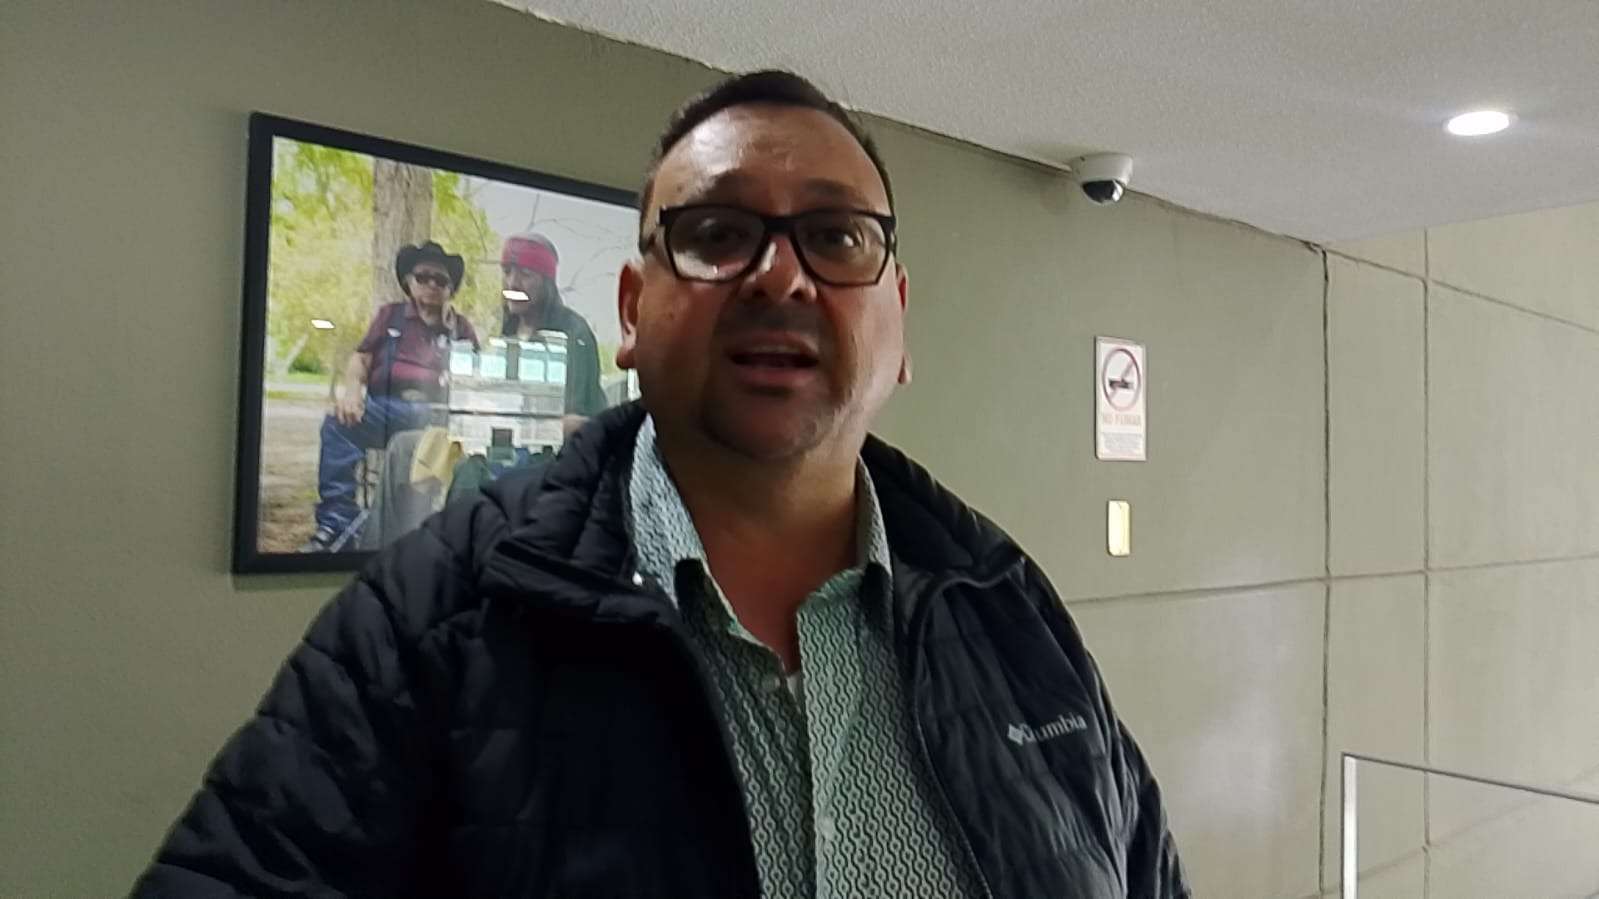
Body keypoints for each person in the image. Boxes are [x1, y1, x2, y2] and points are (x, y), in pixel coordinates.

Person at [137, 72, 1188, 897]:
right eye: (718, 234)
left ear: (898, 320)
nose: (780, 275)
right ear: (633, 312)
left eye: (835, 237)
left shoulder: (1010, 610)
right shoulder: (429, 616)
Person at [299, 240, 479, 552]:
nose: (432, 285)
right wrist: (352, 393)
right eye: (423, 277)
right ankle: (336, 525)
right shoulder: (390, 316)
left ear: (451, 289)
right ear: (409, 282)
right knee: (337, 423)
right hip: (386, 408)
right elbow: (361, 359)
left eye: (441, 280)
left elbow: (478, 379)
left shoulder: (461, 329)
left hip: (437, 415)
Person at [499, 231, 609, 418]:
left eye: (525, 274)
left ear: (546, 284)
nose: (512, 283)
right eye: (507, 272)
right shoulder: (509, 331)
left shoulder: (574, 335)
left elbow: (575, 418)